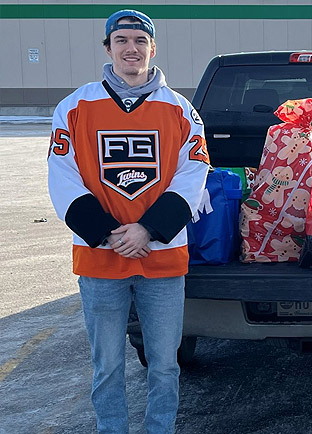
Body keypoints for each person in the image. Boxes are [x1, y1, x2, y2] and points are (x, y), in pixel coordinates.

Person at [47, 9, 209, 433]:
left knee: (164, 366)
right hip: (100, 258)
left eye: (140, 40)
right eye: (121, 40)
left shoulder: (181, 110)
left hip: (163, 259)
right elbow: (62, 174)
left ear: (152, 48)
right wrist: (106, 233)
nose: (131, 48)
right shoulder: (75, 106)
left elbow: (192, 174)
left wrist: (148, 230)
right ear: (108, 48)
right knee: (107, 367)